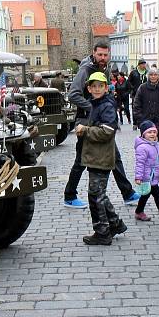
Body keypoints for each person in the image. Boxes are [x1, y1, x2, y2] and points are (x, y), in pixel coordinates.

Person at [64, 40, 140, 209]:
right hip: (86, 121)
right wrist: (92, 107)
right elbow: (73, 95)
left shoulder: (103, 68)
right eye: (100, 54)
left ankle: (127, 193)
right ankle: (69, 195)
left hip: (101, 121)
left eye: (106, 55)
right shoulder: (86, 69)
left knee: (114, 155)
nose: (103, 57)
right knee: (81, 160)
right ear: (94, 53)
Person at [78, 71, 128, 245]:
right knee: (99, 193)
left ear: (106, 88)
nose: (97, 89)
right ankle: (114, 223)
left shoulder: (106, 105)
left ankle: (102, 232)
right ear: (89, 88)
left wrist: (85, 130)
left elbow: (107, 131)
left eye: (100, 86)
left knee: (95, 195)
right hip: (96, 156)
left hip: (101, 157)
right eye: (94, 86)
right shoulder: (96, 104)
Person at [132, 67, 159, 136]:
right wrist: (140, 118)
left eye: (155, 74)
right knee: (145, 143)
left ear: (158, 76)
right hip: (144, 121)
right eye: (151, 75)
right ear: (148, 76)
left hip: (157, 121)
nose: (153, 76)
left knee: (155, 142)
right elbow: (136, 104)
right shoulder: (142, 87)